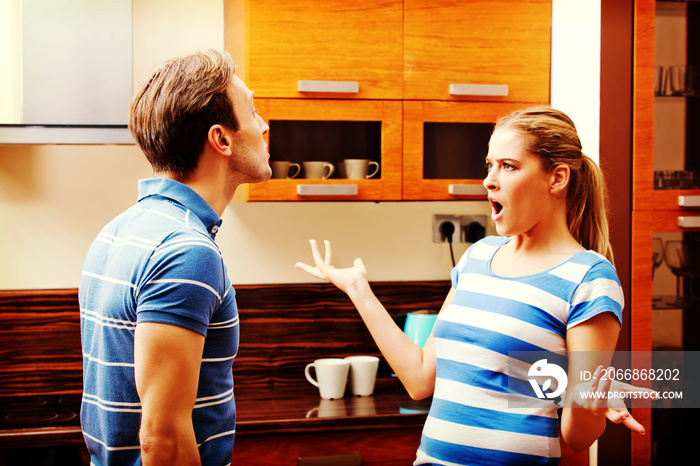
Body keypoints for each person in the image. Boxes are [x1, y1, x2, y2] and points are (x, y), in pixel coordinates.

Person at [295, 106, 656, 465]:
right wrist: (360, 290)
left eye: (509, 166)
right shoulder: (478, 257)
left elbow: (578, 438)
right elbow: (420, 378)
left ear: (557, 178)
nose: (489, 180)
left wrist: (588, 399)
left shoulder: (588, 278)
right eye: (490, 165)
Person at [79, 49, 270, 465]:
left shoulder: (118, 231)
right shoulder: (187, 251)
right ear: (221, 138)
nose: (264, 126)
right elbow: (161, 437)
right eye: (254, 113)